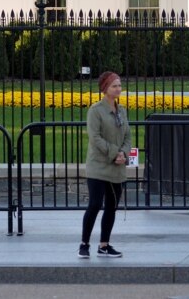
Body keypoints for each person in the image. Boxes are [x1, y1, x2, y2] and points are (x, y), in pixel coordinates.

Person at [79, 70, 130, 259]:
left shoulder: (122, 110)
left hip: (117, 166)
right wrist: (114, 152)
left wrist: (123, 153)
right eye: (114, 86)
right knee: (94, 204)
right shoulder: (95, 110)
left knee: (111, 206)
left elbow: (128, 136)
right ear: (105, 89)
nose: (118, 89)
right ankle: (84, 244)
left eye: (119, 85)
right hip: (99, 167)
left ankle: (104, 245)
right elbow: (95, 138)